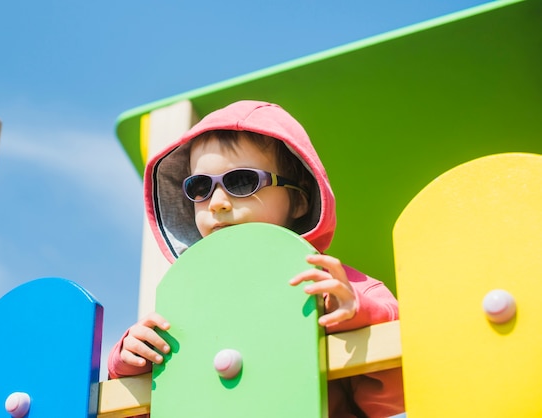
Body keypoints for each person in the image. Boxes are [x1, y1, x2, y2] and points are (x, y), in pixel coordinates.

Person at [108, 100, 404, 417]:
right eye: (200, 187)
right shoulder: (186, 304)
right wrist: (128, 362)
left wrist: (358, 319)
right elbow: (164, 405)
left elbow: (395, 394)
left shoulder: (333, 286)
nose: (217, 202)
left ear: (300, 200)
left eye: (241, 182)